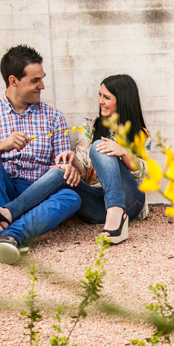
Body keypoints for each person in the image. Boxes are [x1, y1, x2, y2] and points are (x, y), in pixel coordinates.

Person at [0, 45, 82, 264]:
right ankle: (7, 225)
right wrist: (0, 147)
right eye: (35, 81)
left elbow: (60, 167)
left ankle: (5, 231)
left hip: (35, 195)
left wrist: (68, 166)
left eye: (42, 79)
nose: (41, 86)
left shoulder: (53, 118)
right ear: (13, 81)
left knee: (71, 197)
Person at [55, 74, 150, 245]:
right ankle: (10, 214)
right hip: (98, 207)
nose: (100, 101)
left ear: (122, 101)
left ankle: (116, 213)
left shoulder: (140, 134)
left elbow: (143, 176)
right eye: (100, 95)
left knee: (100, 145)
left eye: (106, 97)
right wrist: (73, 160)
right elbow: (83, 173)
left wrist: (123, 153)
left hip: (130, 203)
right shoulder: (89, 128)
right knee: (58, 173)